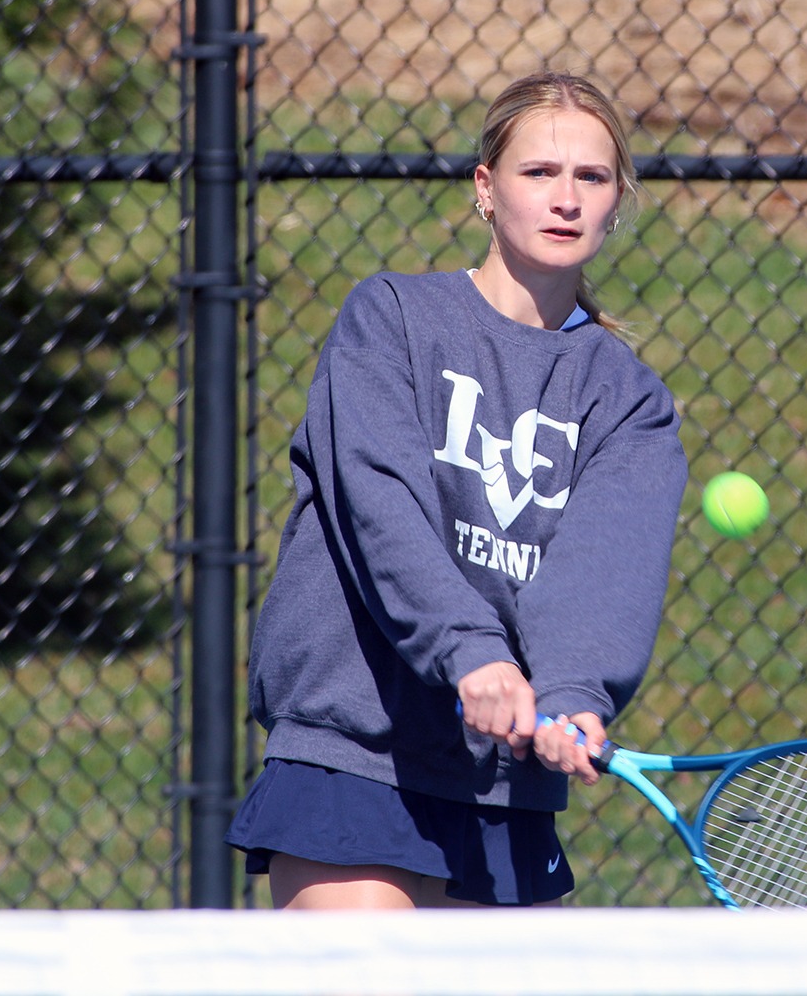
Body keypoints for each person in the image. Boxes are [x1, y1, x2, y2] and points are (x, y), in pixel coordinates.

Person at [225, 72, 688, 909]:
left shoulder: (630, 401)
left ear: (616, 203)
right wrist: (469, 650)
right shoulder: (393, 318)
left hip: (504, 786)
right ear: (486, 188)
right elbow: (379, 502)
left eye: (591, 178)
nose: (566, 198)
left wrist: (575, 691)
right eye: (539, 173)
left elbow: (603, 568)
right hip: (357, 754)